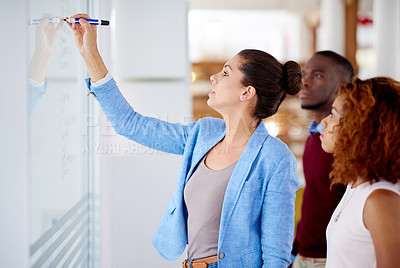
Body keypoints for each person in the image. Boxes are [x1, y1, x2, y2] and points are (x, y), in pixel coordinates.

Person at [68, 14, 303, 267]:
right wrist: (90, 54)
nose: (214, 77)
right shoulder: (203, 133)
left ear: (247, 92)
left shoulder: (275, 158)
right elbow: (132, 125)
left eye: (225, 73)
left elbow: (275, 256)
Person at [320, 77, 400, 268]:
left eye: (333, 115)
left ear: (359, 128)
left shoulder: (380, 199)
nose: (324, 122)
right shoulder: (355, 184)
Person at [291, 51, 354, 268]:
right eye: (304, 74)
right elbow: (314, 197)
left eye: (317, 75)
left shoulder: (346, 145)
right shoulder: (315, 136)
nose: (305, 82)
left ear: (342, 87)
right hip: (303, 254)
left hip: (328, 259)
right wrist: (296, 248)